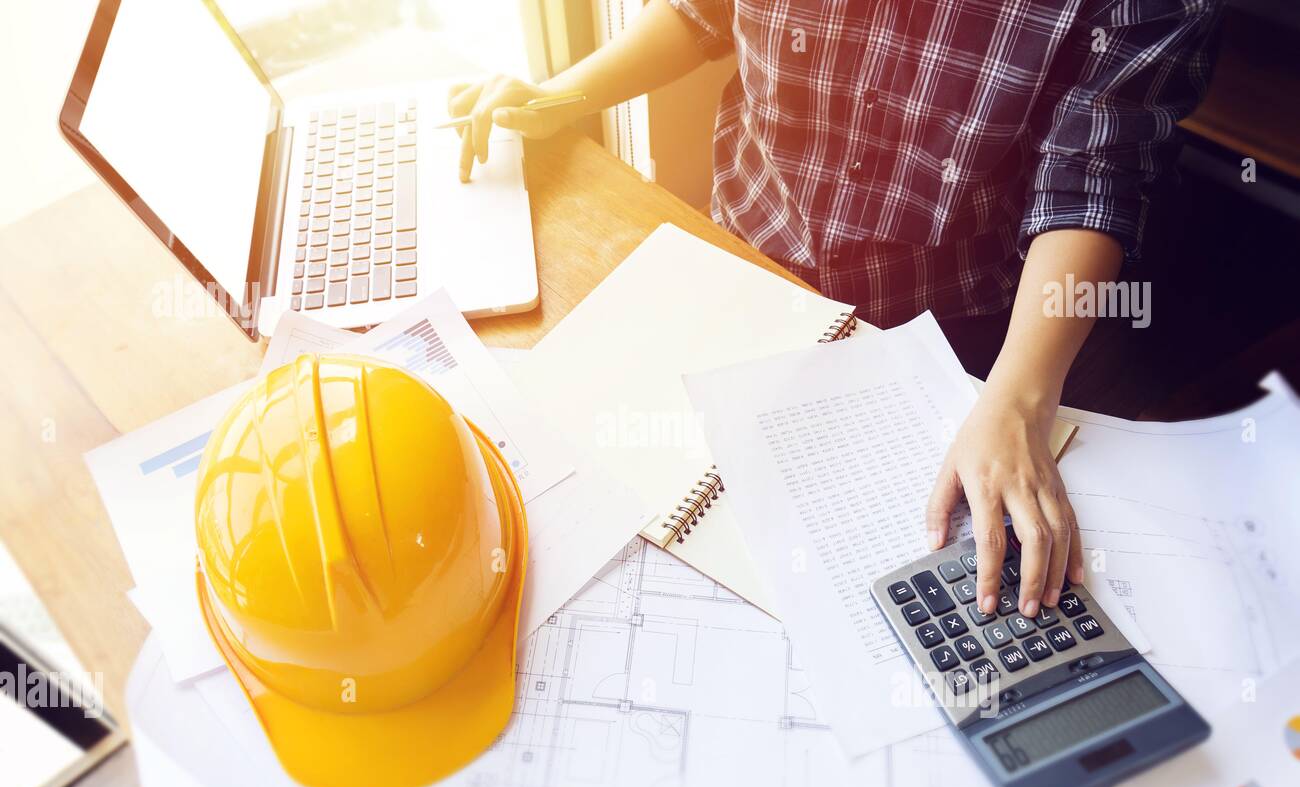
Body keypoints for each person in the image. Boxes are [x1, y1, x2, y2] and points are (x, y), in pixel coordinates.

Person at [448, 0, 1222, 620]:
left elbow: (1093, 179)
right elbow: (703, 13)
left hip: (957, 329)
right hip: (742, 264)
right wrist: (561, 97)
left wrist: (1018, 400)